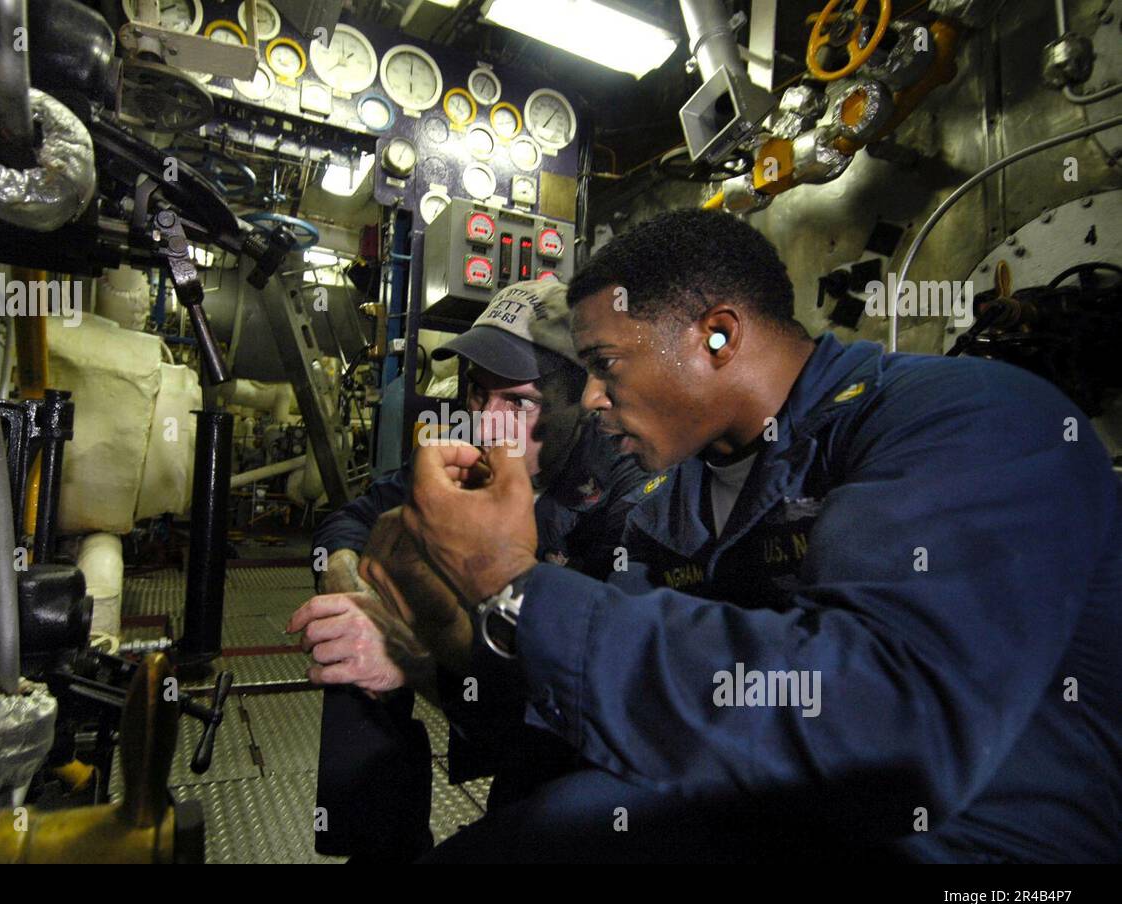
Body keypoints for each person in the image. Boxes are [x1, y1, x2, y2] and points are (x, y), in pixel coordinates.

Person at [399, 208, 1122, 863]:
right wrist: (445, 622)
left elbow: (890, 730)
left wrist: (507, 577)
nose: (591, 398)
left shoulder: (970, 419)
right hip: (781, 808)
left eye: (605, 365)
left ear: (718, 336)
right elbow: (634, 698)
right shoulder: (667, 501)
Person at [292, 279, 644, 862]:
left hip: (576, 740)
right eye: (479, 394)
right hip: (483, 676)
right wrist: (345, 574)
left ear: (579, 400)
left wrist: (411, 658)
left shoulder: (625, 493)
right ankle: (380, 848)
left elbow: (583, 697)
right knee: (351, 631)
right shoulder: (462, 441)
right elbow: (353, 517)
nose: (487, 424)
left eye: (520, 402)